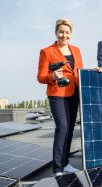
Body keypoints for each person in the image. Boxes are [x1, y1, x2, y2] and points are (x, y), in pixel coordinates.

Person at [37, 19, 83, 176]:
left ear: (71, 34)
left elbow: (78, 71)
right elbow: (40, 76)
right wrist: (53, 76)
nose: (64, 35)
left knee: (70, 129)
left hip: (74, 93)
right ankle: (57, 168)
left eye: (67, 32)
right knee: (62, 127)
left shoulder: (76, 50)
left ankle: (65, 164)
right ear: (56, 33)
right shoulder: (47, 51)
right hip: (57, 94)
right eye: (61, 32)